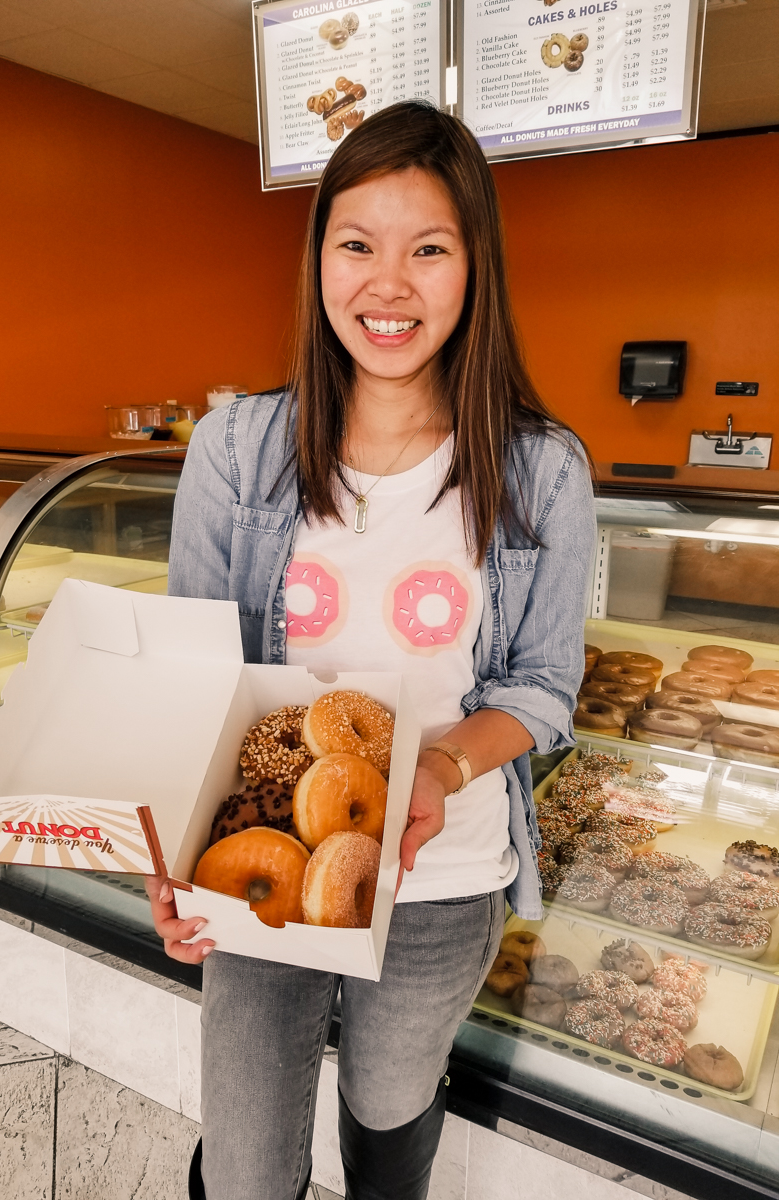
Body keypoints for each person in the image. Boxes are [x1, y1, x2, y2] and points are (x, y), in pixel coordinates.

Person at [145, 100, 596, 1200]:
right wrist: (169, 853)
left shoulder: (540, 470)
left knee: (390, 1120)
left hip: (443, 878)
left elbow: (541, 688)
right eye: (357, 244)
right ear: (318, 260)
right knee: (248, 1167)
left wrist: (437, 767)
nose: (386, 286)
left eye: (427, 249)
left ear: (474, 264)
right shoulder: (236, 450)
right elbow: (194, 679)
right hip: (261, 870)